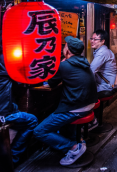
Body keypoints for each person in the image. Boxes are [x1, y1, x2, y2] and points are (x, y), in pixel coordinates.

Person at [34, 36, 97, 166]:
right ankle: (73, 140)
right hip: (89, 104)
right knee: (62, 114)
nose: (63, 48)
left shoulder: (64, 65)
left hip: (77, 108)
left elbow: (51, 83)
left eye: (64, 46)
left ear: (67, 50)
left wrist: (61, 64)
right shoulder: (84, 61)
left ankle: (73, 147)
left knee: (39, 131)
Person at [0, 50, 38, 165]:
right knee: (32, 120)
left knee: (15, 106)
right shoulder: (5, 60)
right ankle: (12, 158)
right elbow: (24, 78)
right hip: (0, 113)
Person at [90, 29, 117, 98]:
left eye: (95, 39)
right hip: (106, 84)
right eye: (91, 38)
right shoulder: (104, 50)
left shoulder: (102, 52)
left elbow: (91, 70)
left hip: (106, 86)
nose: (92, 41)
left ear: (103, 41)